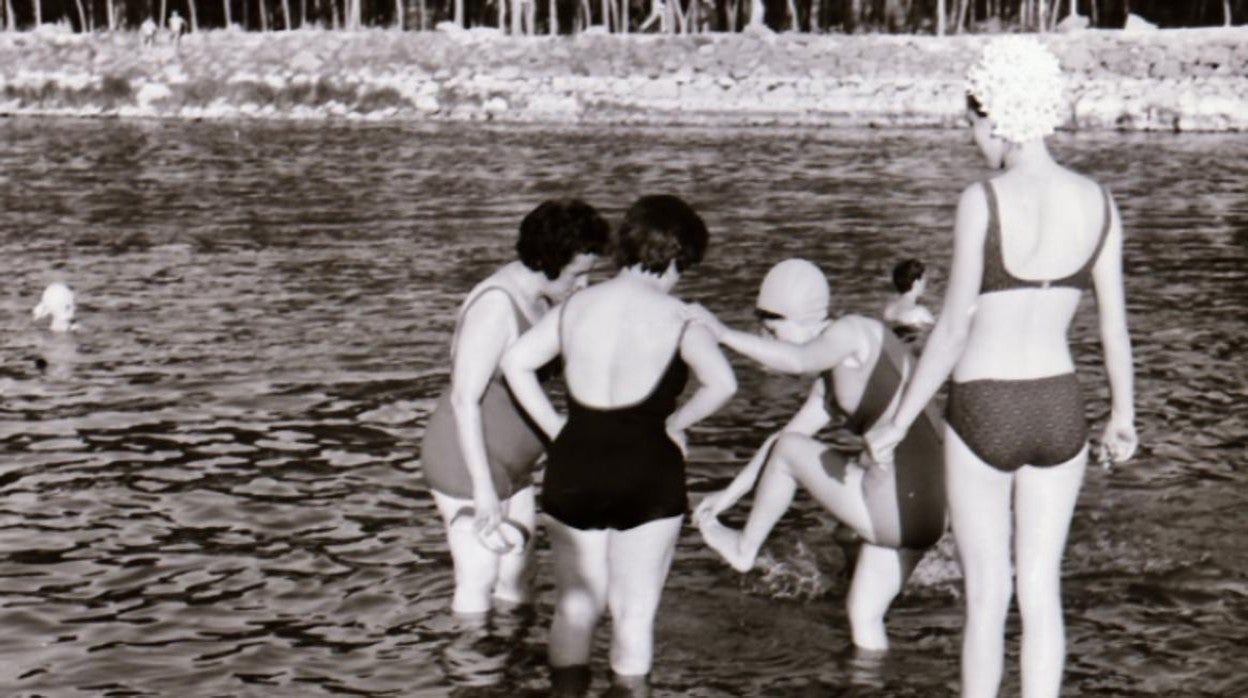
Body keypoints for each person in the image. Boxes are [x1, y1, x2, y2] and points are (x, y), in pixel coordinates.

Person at [864, 37, 1137, 698]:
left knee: (986, 598)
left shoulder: (982, 201)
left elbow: (953, 327)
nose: (973, 139)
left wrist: (898, 422)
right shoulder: (1099, 203)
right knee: (1042, 590)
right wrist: (1124, 414)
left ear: (994, 118)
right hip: (1060, 406)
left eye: (972, 125)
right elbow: (1112, 323)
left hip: (984, 405)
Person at [502, 195, 735, 696]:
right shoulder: (680, 316)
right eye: (684, 267)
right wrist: (676, 421)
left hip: (575, 463)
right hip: (647, 468)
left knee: (574, 607)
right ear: (675, 256)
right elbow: (723, 384)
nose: (680, 279)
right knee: (634, 617)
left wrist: (557, 429)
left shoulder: (576, 306)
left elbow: (516, 363)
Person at [687, 258, 946, 652]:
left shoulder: (851, 332)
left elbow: (796, 362)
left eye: (772, 328)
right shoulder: (834, 375)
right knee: (863, 616)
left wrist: (722, 333)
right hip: (931, 507)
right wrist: (725, 499)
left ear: (798, 317)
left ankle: (745, 549)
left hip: (901, 500)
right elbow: (780, 440)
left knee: (796, 455)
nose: (766, 339)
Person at [420, 199, 608, 616]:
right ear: (547, 260)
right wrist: (483, 488)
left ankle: (511, 667)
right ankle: (473, 676)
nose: (584, 286)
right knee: (478, 575)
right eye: (578, 274)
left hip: (515, 467)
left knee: (519, 576)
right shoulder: (495, 305)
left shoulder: (544, 297)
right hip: (465, 463)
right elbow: (463, 398)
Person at [883, 258, 936, 330]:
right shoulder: (920, 313)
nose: (926, 283)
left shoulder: (888, 310)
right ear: (917, 283)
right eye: (924, 279)